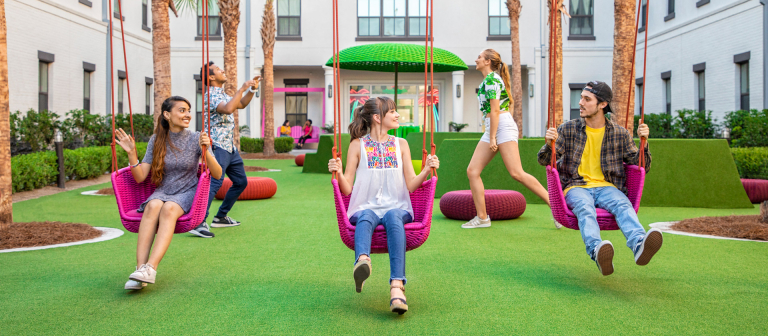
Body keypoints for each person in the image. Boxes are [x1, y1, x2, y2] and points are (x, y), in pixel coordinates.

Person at [537, 81, 662, 276]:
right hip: (576, 186)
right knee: (585, 209)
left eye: (587, 99)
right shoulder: (568, 129)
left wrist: (644, 143)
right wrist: (548, 144)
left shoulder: (620, 134)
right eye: (581, 98)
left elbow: (641, 166)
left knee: (623, 204)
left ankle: (639, 245)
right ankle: (597, 250)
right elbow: (545, 161)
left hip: (607, 187)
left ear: (602, 104)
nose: (580, 103)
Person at [328, 97, 439, 315]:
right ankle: (362, 261)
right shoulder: (357, 145)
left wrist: (426, 170)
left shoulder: (401, 144)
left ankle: (397, 287)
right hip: (365, 206)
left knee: (392, 217)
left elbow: (411, 184)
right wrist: (338, 172)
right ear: (378, 118)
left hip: (397, 206)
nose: (397, 115)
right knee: (366, 216)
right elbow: (347, 188)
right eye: (393, 112)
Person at [115, 96, 223, 290]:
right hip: (163, 190)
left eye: (188, 110)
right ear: (167, 114)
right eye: (182, 110)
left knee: (169, 209)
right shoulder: (156, 140)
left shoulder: (196, 138)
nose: (188, 114)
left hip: (187, 191)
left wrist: (205, 149)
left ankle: (151, 268)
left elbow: (217, 173)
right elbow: (140, 177)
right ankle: (140, 269)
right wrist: (132, 154)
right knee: (153, 205)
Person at [463, 49, 552, 229]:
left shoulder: (492, 79)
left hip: (500, 125)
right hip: (494, 126)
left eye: (479, 57)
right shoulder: (491, 80)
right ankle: (482, 218)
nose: (476, 59)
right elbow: (503, 106)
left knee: (516, 173)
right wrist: (492, 132)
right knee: (472, 171)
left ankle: (556, 207)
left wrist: (494, 135)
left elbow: (496, 110)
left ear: (487, 61)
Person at [190, 61, 260, 238]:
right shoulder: (210, 95)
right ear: (211, 77)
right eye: (218, 69)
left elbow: (241, 104)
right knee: (214, 182)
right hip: (217, 145)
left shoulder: (221, 93)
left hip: (229, 146)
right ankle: (198, 222)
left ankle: (220, 217)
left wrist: (251, 90)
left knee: (241, 181)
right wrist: (242, 87)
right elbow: (229, 109)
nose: (223, 70)